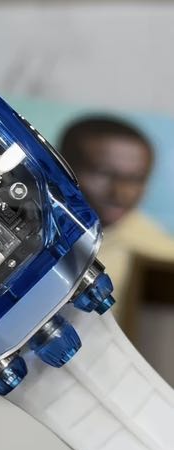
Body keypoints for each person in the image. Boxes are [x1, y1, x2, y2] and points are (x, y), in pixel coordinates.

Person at [58, 116, 174, 320]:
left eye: (136, 179)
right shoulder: (23, 229)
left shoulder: (158, 255)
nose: (120, 193)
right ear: (61, 166)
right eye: (103, 173)